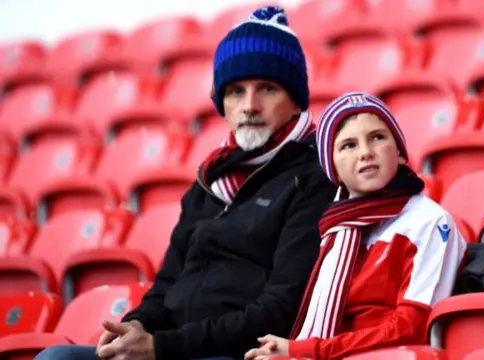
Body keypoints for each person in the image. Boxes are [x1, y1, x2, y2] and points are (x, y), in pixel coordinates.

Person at [35, 6, 337, 360]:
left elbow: (280, 310)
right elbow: (166, 287)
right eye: (236, 91)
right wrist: (137, 326)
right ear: (222, 104)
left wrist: (160, 347)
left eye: (267, 89)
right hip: (174, 347)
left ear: (296, 101)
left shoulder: (314, 177)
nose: (250, 106)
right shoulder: (208, 182)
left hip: (235, 353)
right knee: (57, 357)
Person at [245, 92, 468, 360]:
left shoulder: (429, 222)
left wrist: (304, 351)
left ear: (399, 153)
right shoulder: (334, 230)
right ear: (334, 170)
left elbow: (411, 328)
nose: (365, 152)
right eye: (348, 145)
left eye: (378, 137)